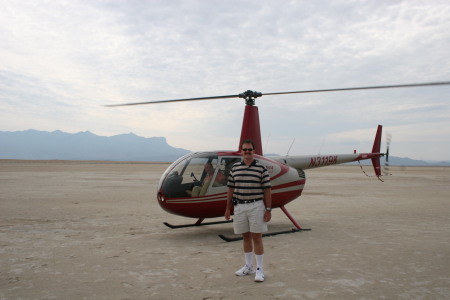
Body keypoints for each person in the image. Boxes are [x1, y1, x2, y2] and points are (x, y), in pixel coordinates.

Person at [224, 139, 272, 282]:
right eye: (245, 150)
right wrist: (228, 208)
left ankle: (259, 269)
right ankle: (248, 266)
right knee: (245, 237)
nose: (247, 152)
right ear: (241, 151)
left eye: (249, 149)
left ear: (254, 151)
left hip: (256, 206)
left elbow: (267, 190)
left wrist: (268, 209)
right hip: (239, 206)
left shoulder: (261, 169)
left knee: (257, 237)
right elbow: (230, 189)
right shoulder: (235, 168)